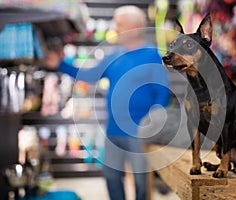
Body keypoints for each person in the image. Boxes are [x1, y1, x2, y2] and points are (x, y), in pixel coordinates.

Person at [43, 5, 170, 200]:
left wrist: (153, 124)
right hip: (113, 130)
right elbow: (90, 74)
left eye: (119, 24)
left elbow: (162, 93)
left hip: (140, 133)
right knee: (111, 176)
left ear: (134, 26)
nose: (114, 28)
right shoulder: (114, 56)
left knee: (141, 182)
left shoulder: (152, 55)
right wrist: (60, 64)